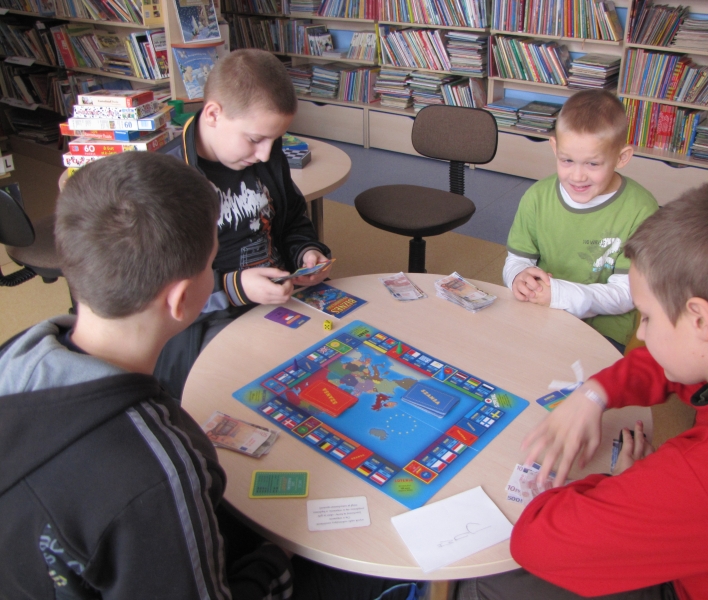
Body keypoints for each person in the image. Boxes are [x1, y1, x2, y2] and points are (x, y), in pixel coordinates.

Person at [0, 152, 416, 600]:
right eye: (212, 264)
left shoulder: (14, 356)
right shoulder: (163, 469)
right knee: (391, 569)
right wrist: (277, 557)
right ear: (182, 299)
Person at [459, 183, 708, 599]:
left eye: (648, 318)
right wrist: (594, 393)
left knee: (491, 581)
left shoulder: (705, 477)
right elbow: (673, 364)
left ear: (700, 321)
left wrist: (619, 484)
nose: (641, 333)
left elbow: (536, 541)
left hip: (695, 587)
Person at [155, 48, 333, 398]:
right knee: (263, 392)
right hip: (210, 318)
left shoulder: (264, 155)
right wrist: (236, 287)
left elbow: (292, 219)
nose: (265, 153)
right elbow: (163, 292)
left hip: (280, 297)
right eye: (255, 139)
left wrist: (305, 253)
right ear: (213, 114)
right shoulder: (166, 181)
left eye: (274, 140)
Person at [503, 89, 659, 353]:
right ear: (555, 148)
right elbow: (517, 260)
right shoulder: (537, 197)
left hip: (603, 332)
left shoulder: (641, 210)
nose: (577, 176)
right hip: (538, 314)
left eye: (592, 164)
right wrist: (518, 276)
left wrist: (560, 295)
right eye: (567, 160)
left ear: (621, 157)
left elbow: (627, 294)